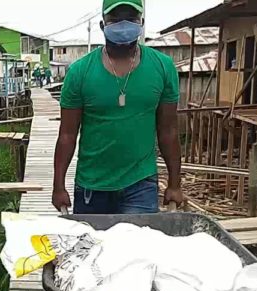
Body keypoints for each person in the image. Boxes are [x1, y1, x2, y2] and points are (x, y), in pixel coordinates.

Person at [52, 0, 184, 214]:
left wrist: (175, 184)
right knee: (93, 247)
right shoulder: (79, 72)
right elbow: (67, 134)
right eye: (115, 19)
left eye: (130, 19)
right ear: (103, 25)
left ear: (141, 23)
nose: (124, 25)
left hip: (140, 183)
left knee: (136, 248)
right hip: (92, 186)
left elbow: (168, 131)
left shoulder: (162, 67)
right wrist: (58, 186)